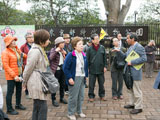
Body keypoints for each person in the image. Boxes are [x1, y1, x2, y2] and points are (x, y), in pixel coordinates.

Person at [115, 33, 147, 114]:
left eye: (128, 38)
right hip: (128, 72)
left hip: (135, 72)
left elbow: (144, 58)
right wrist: (118, 51)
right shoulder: (130, 47)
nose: (126, 40)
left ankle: (139, 107)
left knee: (137, 89)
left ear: (133, 39)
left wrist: (132, 62)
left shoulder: (139, 47)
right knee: (130, 88)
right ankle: (132, 104)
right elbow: (125, 56)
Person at [23, 29, 50, 120]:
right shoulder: (36, 51)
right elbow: (28, 68)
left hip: (39, 80)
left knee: (37, 106)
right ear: (41, 40)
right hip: (36, 81)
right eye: (47, 39)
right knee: (42, 106)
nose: (49, 41)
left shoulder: (39, 49)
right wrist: (24, 82)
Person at [63, 37, 88, 120]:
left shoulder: (83, 54)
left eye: (82, 44)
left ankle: (79, 111)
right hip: (74, 77)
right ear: (74, 46)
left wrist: (86, 76)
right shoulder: (71, 54)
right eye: (79, 44)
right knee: (73, 97)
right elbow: (65, 68)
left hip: (82, 77)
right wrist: (69, 77)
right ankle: (70, 113)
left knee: (81, 96)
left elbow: (85, 66)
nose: (82, 46)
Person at [1, 35, 27, 115]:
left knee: (19, 90)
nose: (14, 42)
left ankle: (18, 104)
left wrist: (20, 53)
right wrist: (14, 76)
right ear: (8, 43)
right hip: (11, 76)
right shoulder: (5, 52)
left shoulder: (16, 49)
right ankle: (9, 109)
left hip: (19, 73)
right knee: (10, 92)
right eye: (12, 41)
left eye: (14, 41)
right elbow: (6, 66)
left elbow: (25, 57)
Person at [86, 33, 107, 102]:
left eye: (98, 39)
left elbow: (105, 58)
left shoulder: (102, 48)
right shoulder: (89, 49)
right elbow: (87, 60)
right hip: (92, 69)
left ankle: (102, 95)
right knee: (91, 84)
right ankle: (91, 96)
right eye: (96, 39)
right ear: (92, 40)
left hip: (101, 69)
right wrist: (87, 68)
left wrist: (105, 66)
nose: (98, 40)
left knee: (101, 83)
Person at [49, 37, 67, 107]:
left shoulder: (62, 50)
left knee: (62, 85)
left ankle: (61, 98)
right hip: (56, 70)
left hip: (62, 69)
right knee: (55, 85)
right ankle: (53, 99)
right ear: (58, 44)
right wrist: (56, 51)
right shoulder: (53, 49)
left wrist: (64, 53)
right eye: (62, 43)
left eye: (63, 43)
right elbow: (50, 58)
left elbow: (64, 59)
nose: (63, 44)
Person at [20, 32, 34, 99]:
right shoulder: (23, 46)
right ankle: (27, 92)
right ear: (26, 39)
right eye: (29, 37)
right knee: (26, 78)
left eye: (32, 37)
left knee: (33, 78)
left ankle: (33, 91)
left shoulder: (35, 45)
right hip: (26, 65)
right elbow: (20, 56)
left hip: (34, 65)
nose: (31, 39)